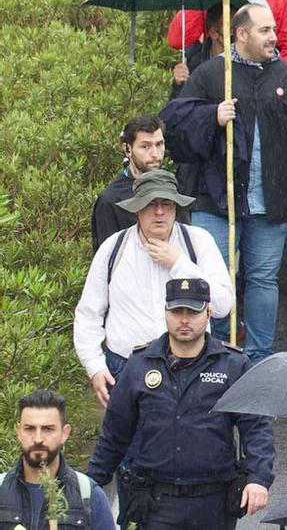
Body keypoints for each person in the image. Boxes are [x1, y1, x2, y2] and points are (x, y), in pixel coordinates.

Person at [158, 1, 287, 361]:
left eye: (274, 29)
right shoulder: (213, 73)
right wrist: (211, 115)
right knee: (213, 280)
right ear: (241, 34)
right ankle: (218, 352)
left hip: (272, 200)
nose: (274, 37)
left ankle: (260, 357)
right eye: (264, 30)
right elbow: (175, 123)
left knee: (263, 280)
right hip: (217, 200)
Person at [86, 277, 275, 527]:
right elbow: (114, 434)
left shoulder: (233, 365)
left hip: (214, 503)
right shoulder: (139, 365)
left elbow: (256, 426)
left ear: (208, 313)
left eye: (192, 312)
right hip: (155, 503)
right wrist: (87, 488)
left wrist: (258, 477)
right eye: (177, 311)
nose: (184, 319)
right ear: (165, 312)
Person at [73, 169, 233, 404]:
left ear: (176, 207)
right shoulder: (113, 248)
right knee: (129, 441)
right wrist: (95, 367)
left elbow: (222, 306)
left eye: (166, 204)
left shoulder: (198, 242)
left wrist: (179, 264)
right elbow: (88, 315)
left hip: (191, 367)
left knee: (191, 439)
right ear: (137, 208)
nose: (159, 212)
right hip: (126, 368)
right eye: (151, 204)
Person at [6, 390, 116, 530]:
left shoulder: (88, 496)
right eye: (30, 429)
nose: (38, 439)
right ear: (19, 432)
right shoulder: (2, 490)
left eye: (48, 429)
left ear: (65, 433)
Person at [91, 114, 169, 247]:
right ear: (127, 149)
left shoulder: (171, 189)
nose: (155, 154)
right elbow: (107, 259)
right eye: (145, 146)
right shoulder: (111, 200)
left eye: (159, 144)